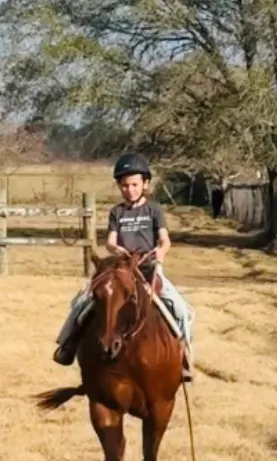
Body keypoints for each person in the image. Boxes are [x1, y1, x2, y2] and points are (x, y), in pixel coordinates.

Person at [53, 152, 195, 381]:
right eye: (125, 185)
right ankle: (66, 347)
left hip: (148, 270)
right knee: (81, 303)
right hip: (121, 271)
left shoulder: (154, 210)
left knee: (180, 309)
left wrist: (161, 252)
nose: (130, 189)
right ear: (119, 186)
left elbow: (165, 240)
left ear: (145, 184)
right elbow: (110, 241)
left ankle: (184, 357)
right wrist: (116, 249)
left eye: (135, 184)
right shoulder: (116, 212)